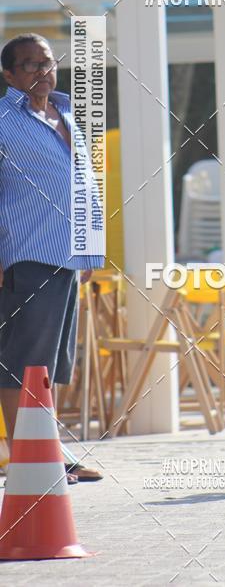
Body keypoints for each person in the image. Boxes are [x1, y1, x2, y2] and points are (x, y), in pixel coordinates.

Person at [0, 33, 105, 483]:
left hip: (67, 256)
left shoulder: (64, 114)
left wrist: (88, 248)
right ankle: (27, 457)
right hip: (28, 255)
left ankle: (50, 450)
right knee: (23, 360)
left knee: (51, 365)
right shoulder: (4, 119)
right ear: (8, 75)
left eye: (47, 62)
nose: (43, 71)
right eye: (29, 65)